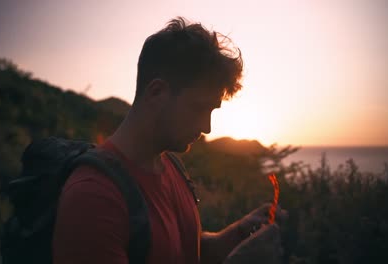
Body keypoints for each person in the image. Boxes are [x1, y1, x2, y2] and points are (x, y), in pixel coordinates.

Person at [53, 17, 286, 264]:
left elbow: (180, 252)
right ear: (157, 93)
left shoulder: (171, 166)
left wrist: (234, 235)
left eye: (212, 110)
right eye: (198, 108)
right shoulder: (93, 198)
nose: (206, 127)